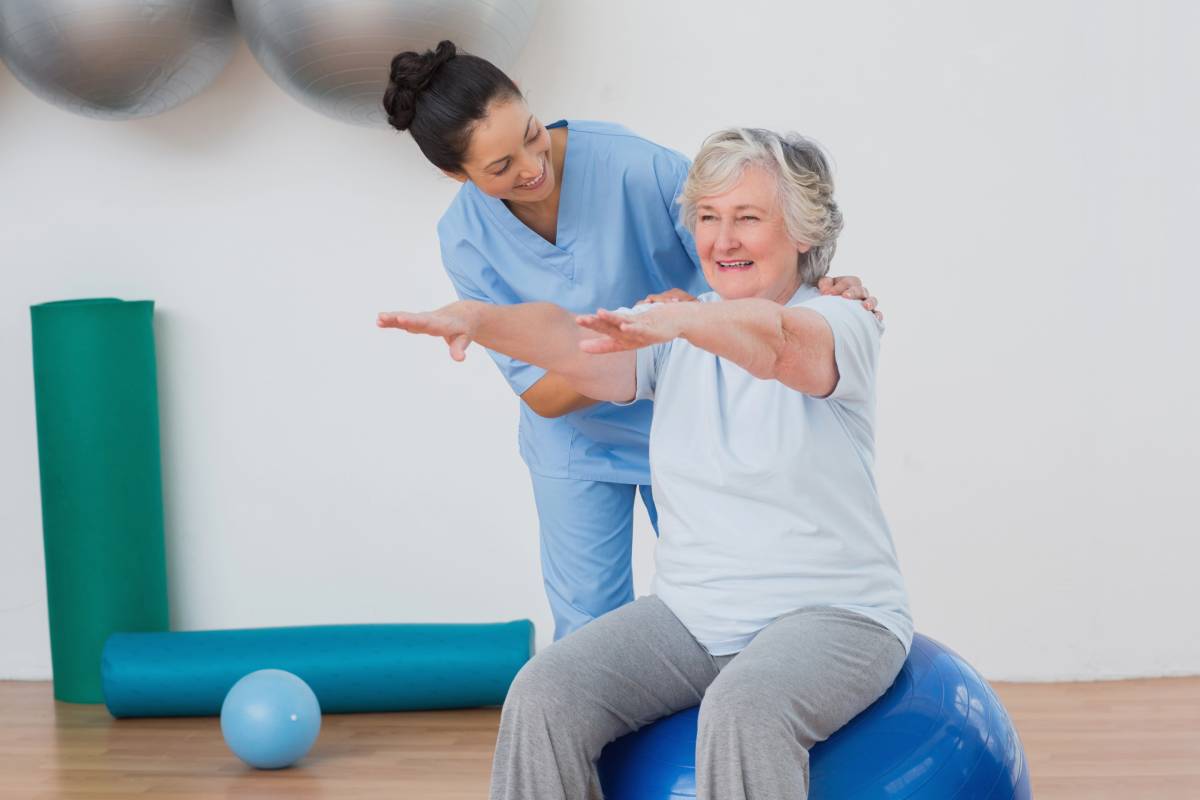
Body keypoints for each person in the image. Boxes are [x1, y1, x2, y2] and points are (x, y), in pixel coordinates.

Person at [379, 127, 911, 800]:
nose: (722, 240)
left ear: (804, 232)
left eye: (748, 218)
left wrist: (688, 322)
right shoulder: (677, 325)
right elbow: (569, 343)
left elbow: (779, 346)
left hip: (835, 615)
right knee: (545, 691)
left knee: (745, 708)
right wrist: (481, 319)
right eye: (709, 219)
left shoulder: (840, 319)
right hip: (693, 617)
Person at [382, 41, 882, 641]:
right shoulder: (465, 237)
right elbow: (541, 392)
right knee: (590, 633)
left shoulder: (636, 167)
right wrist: (633, 345)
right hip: (578, 445)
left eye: (532, 133)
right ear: (453, 175)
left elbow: (750, 261)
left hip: (699, 422)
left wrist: (822, 286)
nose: (531, 165)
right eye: (500, 167)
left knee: (727, 616)